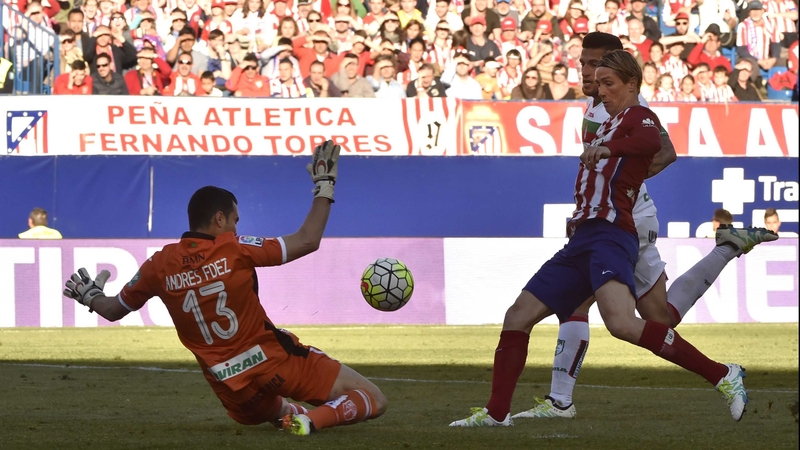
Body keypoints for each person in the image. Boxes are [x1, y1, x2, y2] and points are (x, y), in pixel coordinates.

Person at [449, 37, 770, 429]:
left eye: (606, 79)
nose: (597, 85)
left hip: (616, 230)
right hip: (585, 236)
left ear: (631, 82)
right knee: (519, 315)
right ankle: (499, 413)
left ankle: (721, 374)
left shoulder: (637, 116)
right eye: (593, 76)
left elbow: (656, 144)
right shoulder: (603, 114)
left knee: (624, 323)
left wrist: (614, 157)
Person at [63, 141, 387, 437]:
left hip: (234, 393)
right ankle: (313, 421)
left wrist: (90, 294)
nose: (236, 227)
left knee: (277, 411)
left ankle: (292, 417)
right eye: (234, 219)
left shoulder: (159, 265)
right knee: (373, 398)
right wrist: (324, 185)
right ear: (219, 219)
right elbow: (307, 240)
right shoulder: (235, 248)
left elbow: (111, 309)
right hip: (274, 363)